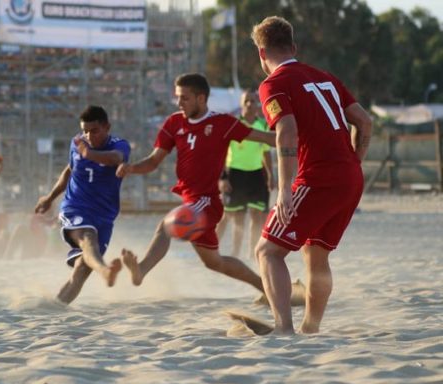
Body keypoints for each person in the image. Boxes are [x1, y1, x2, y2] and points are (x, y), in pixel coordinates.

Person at [251, 16, 372, 334]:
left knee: (267, 251)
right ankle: (311, 327)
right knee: (315, 255)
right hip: (349, 179)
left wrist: (284, 189)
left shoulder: (272, 84)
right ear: (293, 47)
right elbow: (365, 122)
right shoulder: (325, 77)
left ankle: (283, 329)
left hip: (318, 179)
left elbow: (286, 132)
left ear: (262, 54)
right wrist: (353, 163)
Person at [117, 73, 276, 295]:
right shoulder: (174, 123)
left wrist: (294, 134)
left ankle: (141, 270)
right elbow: (153, 161)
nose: (179, 103)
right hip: (189, 200)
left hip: (206, 202)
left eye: (184, 98)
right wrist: (131, 168)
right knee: (214, 262)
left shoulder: (222, 123)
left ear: (201, 99)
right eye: (177, 98)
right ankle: (266, 287)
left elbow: (267, 138)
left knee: (166, 225)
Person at [35, 105, 130, 304]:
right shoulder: (77, 143)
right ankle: (105, 272)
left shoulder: (120, 145)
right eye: (85, 130)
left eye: (94, 131)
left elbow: (115, 158)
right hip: (75, 206)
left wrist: (90, 154)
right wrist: (50, 198)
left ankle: (56, 306)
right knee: (88, 237)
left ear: (107, 127)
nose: (88, 135)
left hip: (104, 215)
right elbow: (70, 170)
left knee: (82, 269)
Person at [216, 89, 274, 259]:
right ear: (241, 104)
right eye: (246, 101)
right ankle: (234, 253)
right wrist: (223, 178)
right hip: (235, 175)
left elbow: (266, 153)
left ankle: (252, 253)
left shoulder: (263, 125)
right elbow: (220, 153)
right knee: (237, 218)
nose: (250, 104)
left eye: (253, 101)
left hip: (256, 176)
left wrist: (271, 175)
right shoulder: (233, 125)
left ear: (258, 105)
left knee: (258, 217)